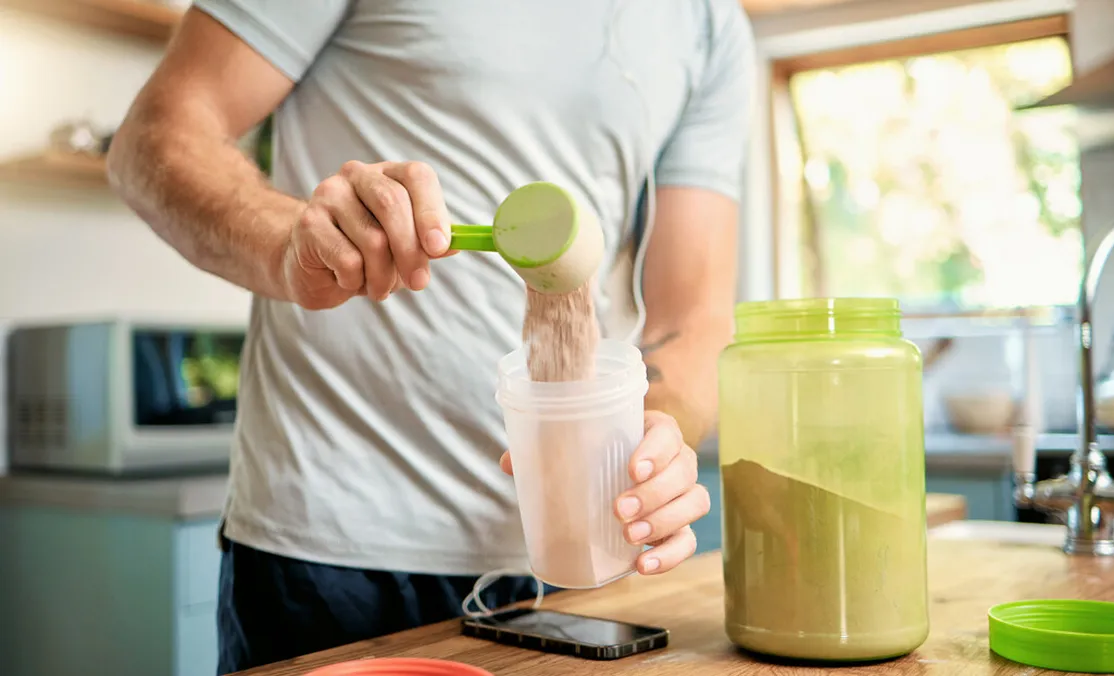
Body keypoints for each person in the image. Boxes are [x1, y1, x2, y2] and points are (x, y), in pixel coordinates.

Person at [108, 1, 754, 673]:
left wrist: (656, 441)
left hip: (575, 570)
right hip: (330, 555)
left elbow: (694, 320)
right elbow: (152, 141)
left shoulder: (709, 25)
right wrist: (290, 245)